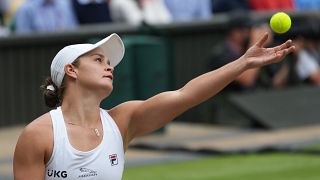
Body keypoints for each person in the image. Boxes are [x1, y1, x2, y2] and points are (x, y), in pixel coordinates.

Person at [13, 32, 295, 179]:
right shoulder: (39, 135)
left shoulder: (122, 120)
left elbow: (187, 95)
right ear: (71, 71)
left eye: (109, 62)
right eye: (98, 60)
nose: (109, 66)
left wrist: (243, 63)